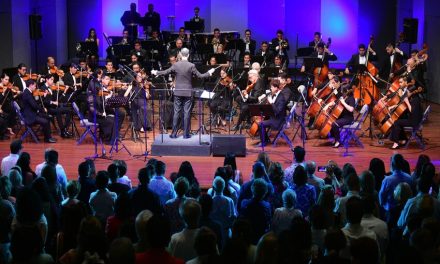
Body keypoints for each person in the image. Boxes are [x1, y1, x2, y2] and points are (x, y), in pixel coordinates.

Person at [152, 48, 214, 138]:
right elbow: (200, 76)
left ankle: (173, 134)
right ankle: (185, 134)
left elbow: (165, 72)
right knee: (187, 113)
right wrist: (209, 73)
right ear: (188, 55)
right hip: (188, 92)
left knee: (176, 112)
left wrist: (155, 72)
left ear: (180, 54)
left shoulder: (176, 65)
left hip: (178, 92)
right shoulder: (191, 65)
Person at [389, 77, 423, 149]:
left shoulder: (415, 100)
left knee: (397, 123)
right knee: (399, 121)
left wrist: (407, 102)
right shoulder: (414, 98)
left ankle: (396, 143)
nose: (407, 93)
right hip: (413, 119)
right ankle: (403, 140)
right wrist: (394, 106)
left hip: (414, 121)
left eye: (407, 92)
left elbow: (412, 111)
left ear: (411, 92)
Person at [379, 154, 413, 223]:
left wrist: (382, 207)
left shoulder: (387, 180)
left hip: (390, 212)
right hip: (405, 209)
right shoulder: (409, 177)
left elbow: (381, 197)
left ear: (392, 164)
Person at [322, 77, 355, 148]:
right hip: (342, 117)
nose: (342, 92)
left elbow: (351, 109)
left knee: (335, 124)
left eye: (343, 91)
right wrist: (327, 106)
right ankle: (336, 138)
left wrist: (343, 103)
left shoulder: (351, 98)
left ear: (347, 91)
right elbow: (335, 102)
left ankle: (338, 141)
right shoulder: (344, 96)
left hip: (348, 118)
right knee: (331, 122)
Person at [239, 178, 272, 244]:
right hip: (261, 238)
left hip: (247, 237)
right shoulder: (267, 206)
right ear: (265, 192)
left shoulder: (244, 203)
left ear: (252, 189)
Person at [38, 74, 72, 138]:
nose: (53, 81)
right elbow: (43, 101)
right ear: (47, 80)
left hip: (54, 107)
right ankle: (62, 131)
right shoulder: (43, 88)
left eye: (53, 80)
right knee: (58, 112)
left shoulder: (52, 88)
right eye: (51, 79)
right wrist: (52, 102)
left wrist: (62, 92)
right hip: (48, 108)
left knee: (69, 110)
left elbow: (57, 100)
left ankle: (64, 128)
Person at [258, 79, 286, 146]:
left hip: (278, 120)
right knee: (261, 122)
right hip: (273, 117)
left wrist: (271, 103)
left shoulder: (281, 97)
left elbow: (278, 111)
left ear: (276, 88)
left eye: (272, 87)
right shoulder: (273, 94)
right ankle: (266, 139)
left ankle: (264, 142)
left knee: (260, 124)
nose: (270, 88)